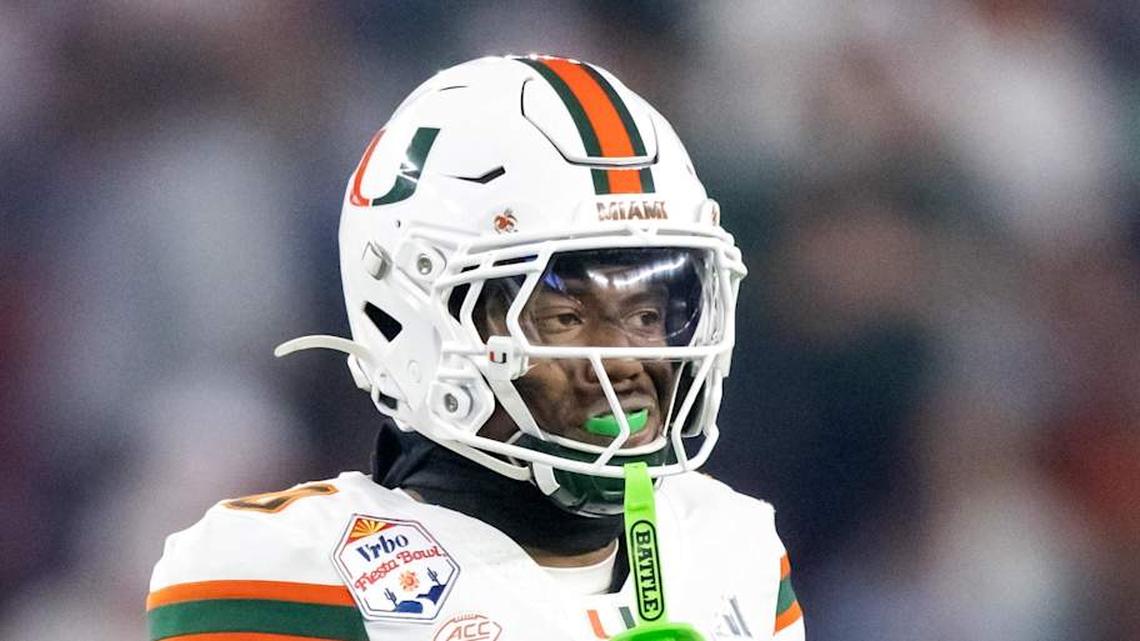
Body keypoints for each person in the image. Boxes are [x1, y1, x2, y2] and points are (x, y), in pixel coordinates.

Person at [146, 54, 804, 641]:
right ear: (417, 319)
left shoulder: (728, 548)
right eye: (567, 317)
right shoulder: (294, 574)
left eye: (647, 312)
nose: (627, 360)